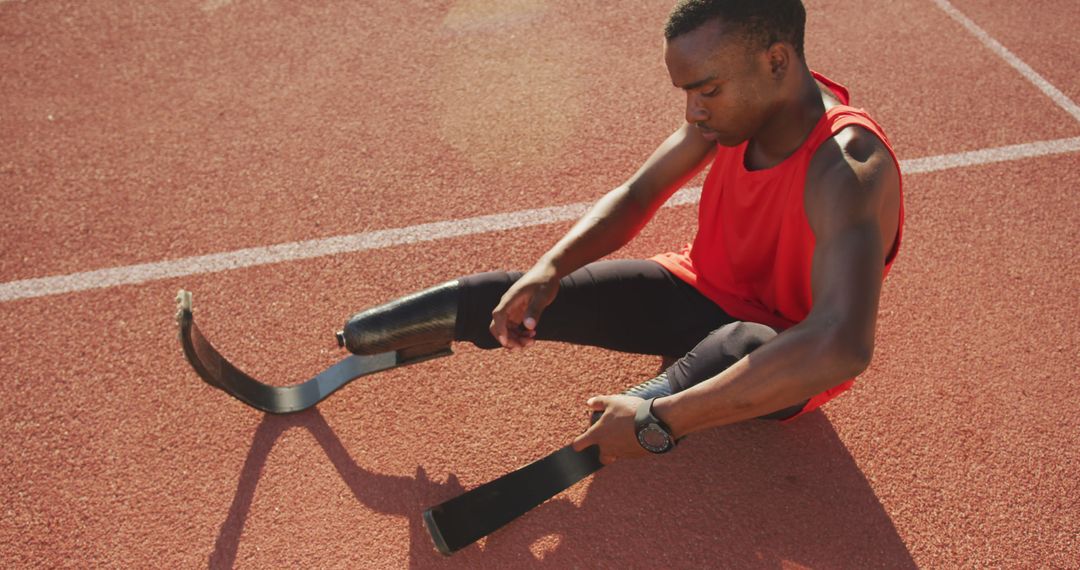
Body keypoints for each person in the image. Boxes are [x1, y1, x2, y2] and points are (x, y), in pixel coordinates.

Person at [339, 0, 903, 465]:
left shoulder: (846, 167)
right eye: (685, 93)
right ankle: (360, 336)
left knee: (738, 343)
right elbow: (637, 195)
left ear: (776, 61)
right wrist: (549, 269)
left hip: (785, 353)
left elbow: (840, 344)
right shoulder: (737, 110)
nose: (694, 111)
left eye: (706, 91)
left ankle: (630, 419)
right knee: (518, 294)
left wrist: (661, 420)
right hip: (698, 289)